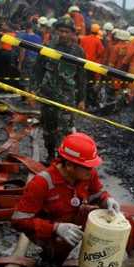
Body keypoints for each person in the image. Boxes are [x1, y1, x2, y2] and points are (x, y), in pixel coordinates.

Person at [11, 133, 134, 265]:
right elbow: (19, 221)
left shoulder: (87, 174)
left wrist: (107, 200)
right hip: (51, 230)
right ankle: (51, 263)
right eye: (88, 167)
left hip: (75, 215)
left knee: (122, 219)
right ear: (69, 165)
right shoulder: (41, 183)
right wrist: (56, 228)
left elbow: (97, 193)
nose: (92, 170)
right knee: (58, 252)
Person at [31, 16, 86, 164]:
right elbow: (38, 69)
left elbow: (81, 77)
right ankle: (50, 155)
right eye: (61, 31)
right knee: (48, 128)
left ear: (72, 33)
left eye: (67, 31)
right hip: (48, 94)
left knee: (66, 130)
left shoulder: (78, 51)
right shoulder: (48, 47)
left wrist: (82, 99)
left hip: (67, 98)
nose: (63, 34)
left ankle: (64, 159)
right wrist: (33, 90)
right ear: (56, 31)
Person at [17, 22, 42, 89]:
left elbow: (22, 51)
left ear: (26, 28)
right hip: (36, 59)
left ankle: (25, 95)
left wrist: (20, 64)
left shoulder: (24, 37)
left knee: (24, 79)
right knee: (32, 78)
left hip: (27, 59)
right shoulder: (38, 37)